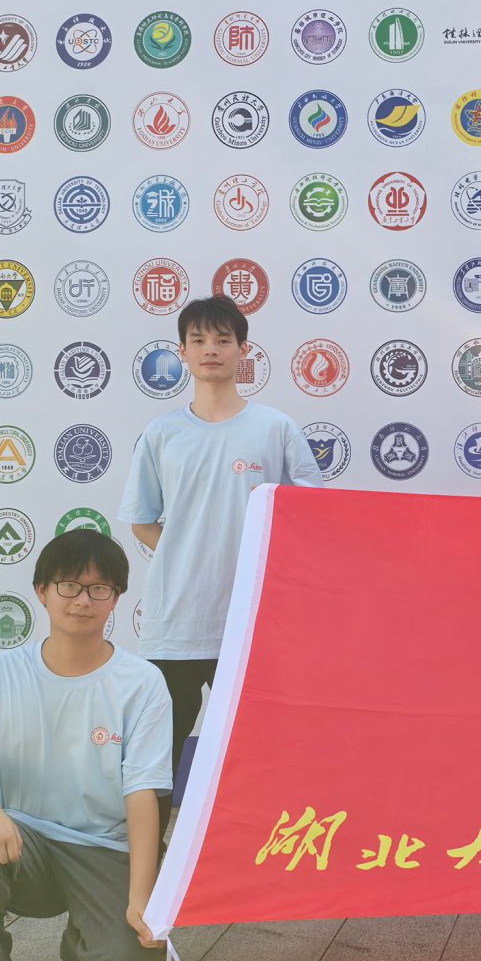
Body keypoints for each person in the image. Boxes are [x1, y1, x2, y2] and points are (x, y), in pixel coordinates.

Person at [0, 530, 171, 961]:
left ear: (116, 599)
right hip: (22, 843)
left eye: (99, 589)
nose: (83, 600)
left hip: (103, 848)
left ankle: (86, 952)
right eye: (69, 586)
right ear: (42, 591)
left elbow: (142, 793)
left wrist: (141, 897)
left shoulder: (142, 682)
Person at [120, 293, 323, 831]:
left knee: (267, 744)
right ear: (182, 353)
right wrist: (187, 551)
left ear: (243, 351)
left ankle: (265, 845)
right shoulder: (163, 434)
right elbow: (141, 519)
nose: (211, 349)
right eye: (199, 340)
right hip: (177, 623)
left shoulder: (274, 428)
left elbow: (310, 512)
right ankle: (149, 857)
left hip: (256, 620)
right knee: (158, 751)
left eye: (223, 340)